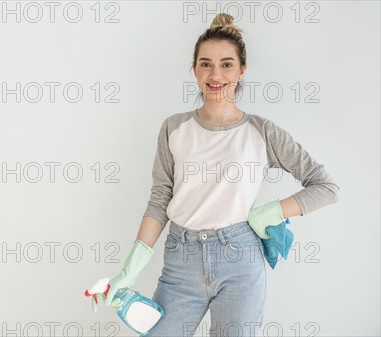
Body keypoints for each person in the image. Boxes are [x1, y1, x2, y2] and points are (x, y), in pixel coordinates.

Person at [89, 13, 340, 337]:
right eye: (205, 64)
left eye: (226, 64)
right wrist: (130, 268)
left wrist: (273, 211)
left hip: (240, 260)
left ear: (241, 70)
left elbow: (326, 186)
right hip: (181, 259)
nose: (215, 73)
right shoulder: (174, 128)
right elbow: (160, 199)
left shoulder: (261, 132)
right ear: (194, 69)